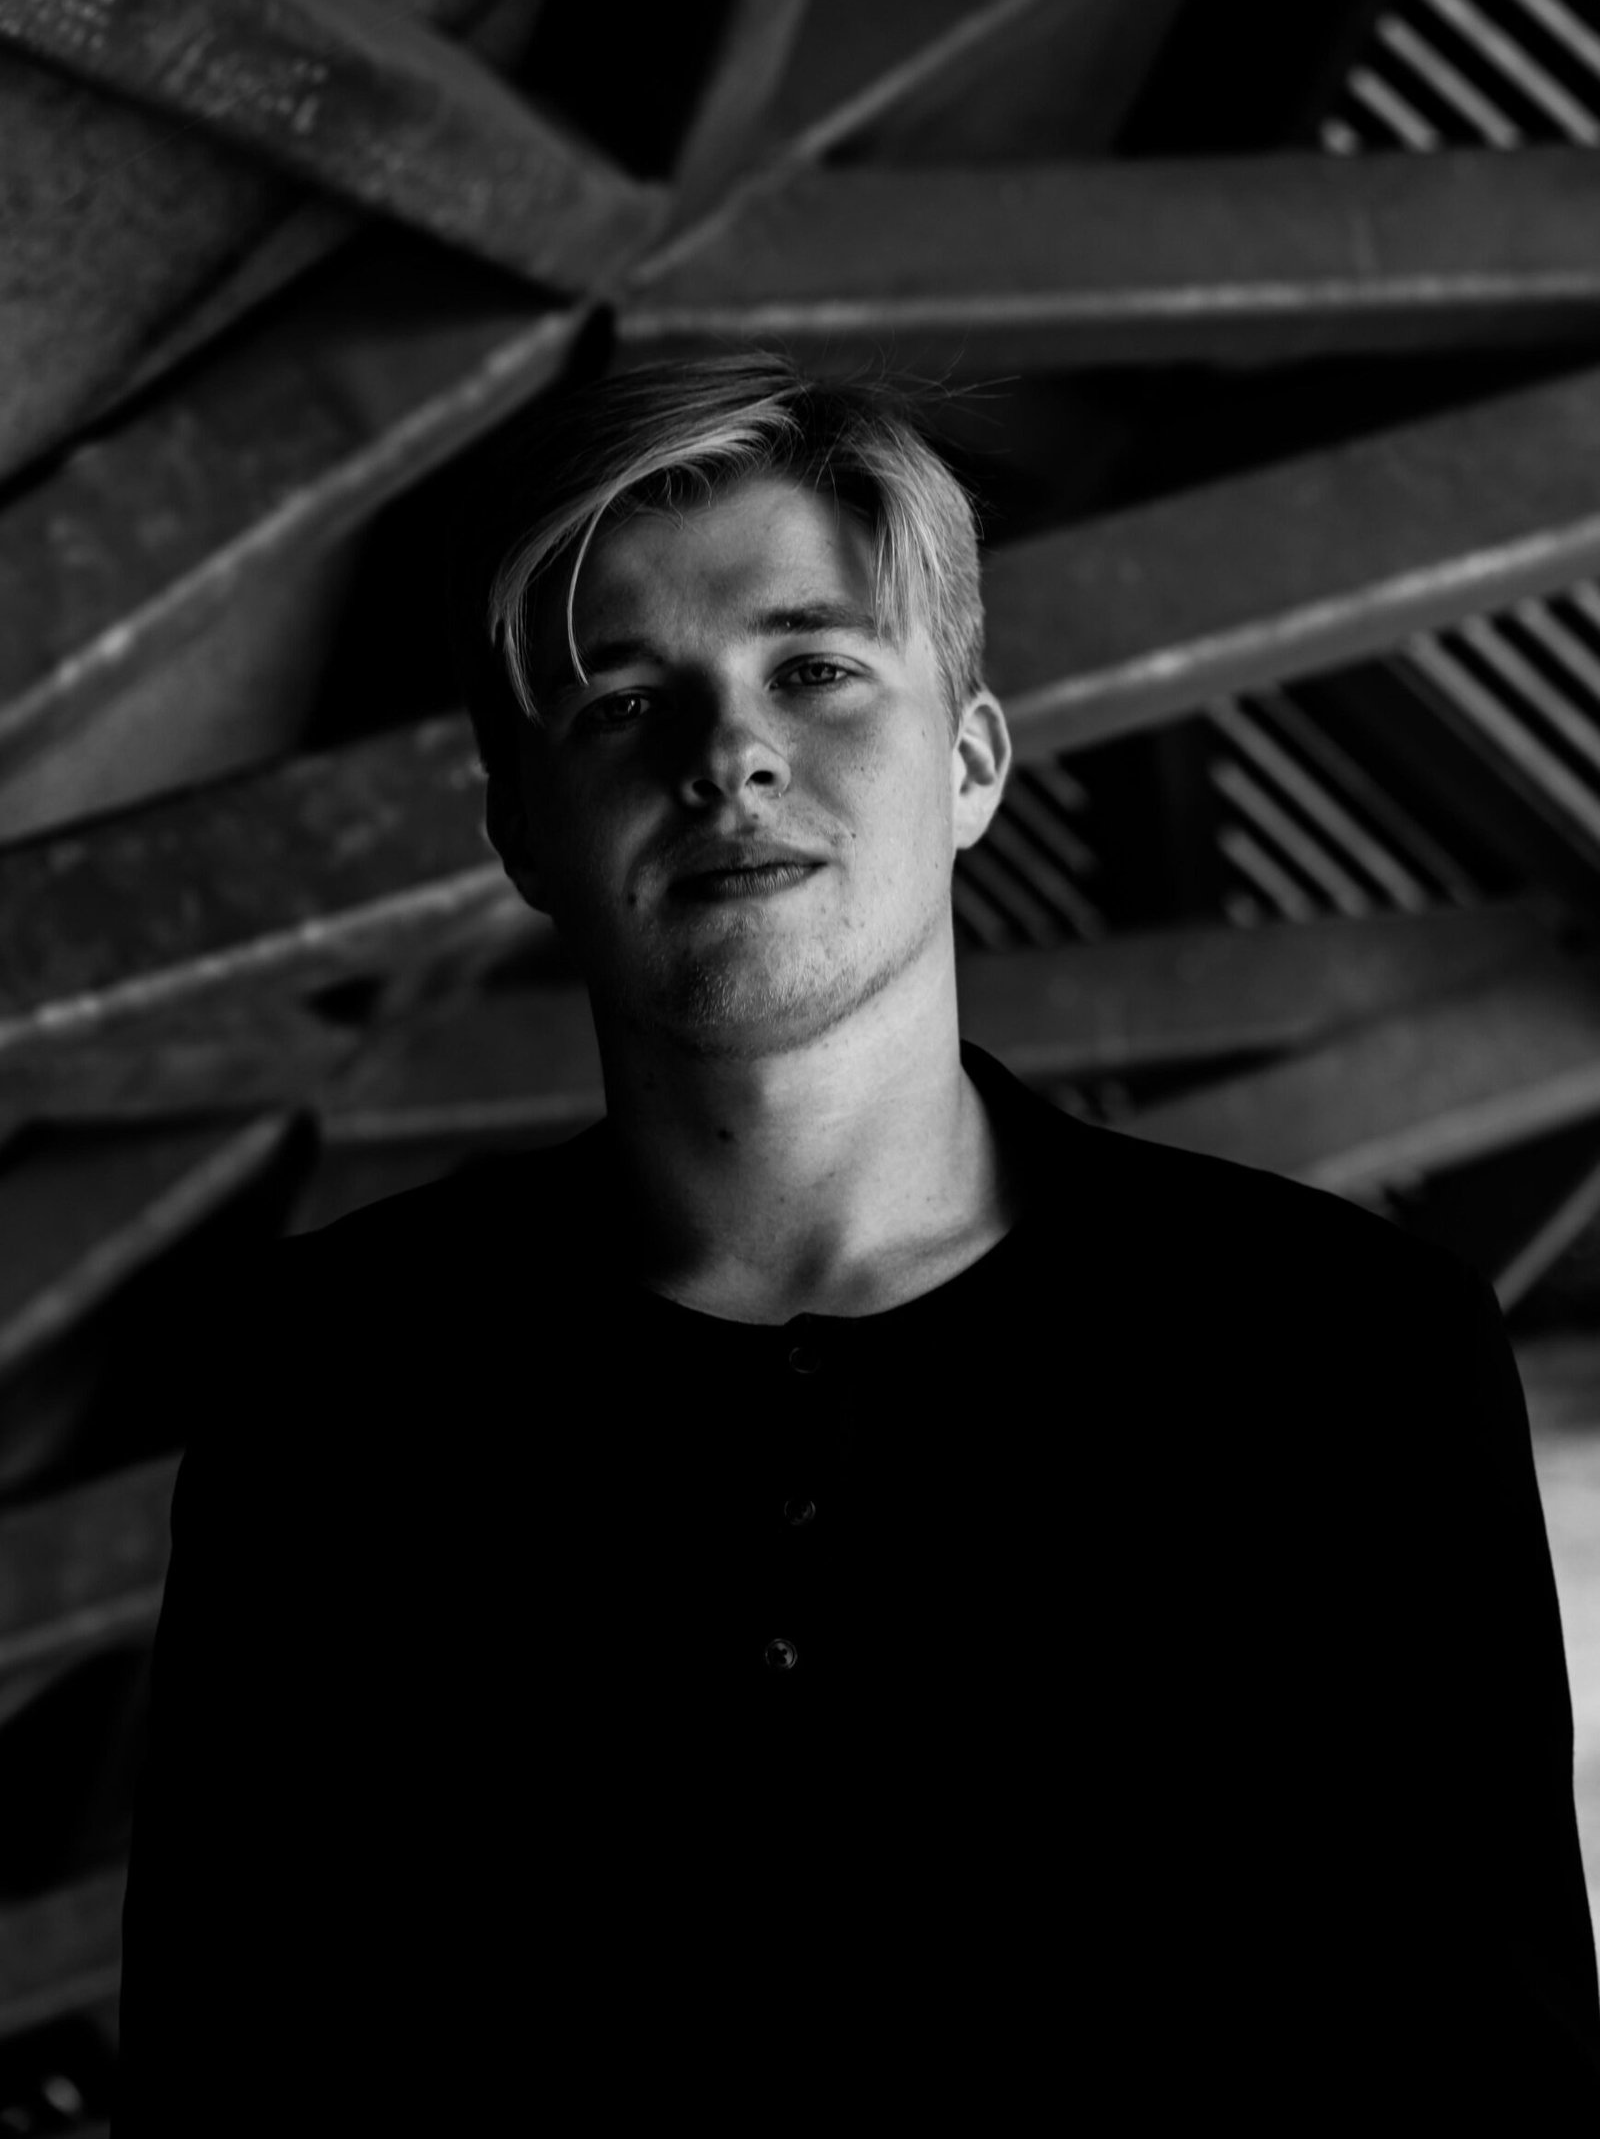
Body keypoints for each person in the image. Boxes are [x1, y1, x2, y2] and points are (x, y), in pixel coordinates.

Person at [115, 354, 1600, 2128]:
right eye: (620, 702)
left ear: (969, 763)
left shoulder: (1351, 1354)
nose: (726, 755)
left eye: (814, 669)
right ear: (520, 829)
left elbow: (1494, 2087)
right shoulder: (333, 1380)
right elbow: (227, 2071)